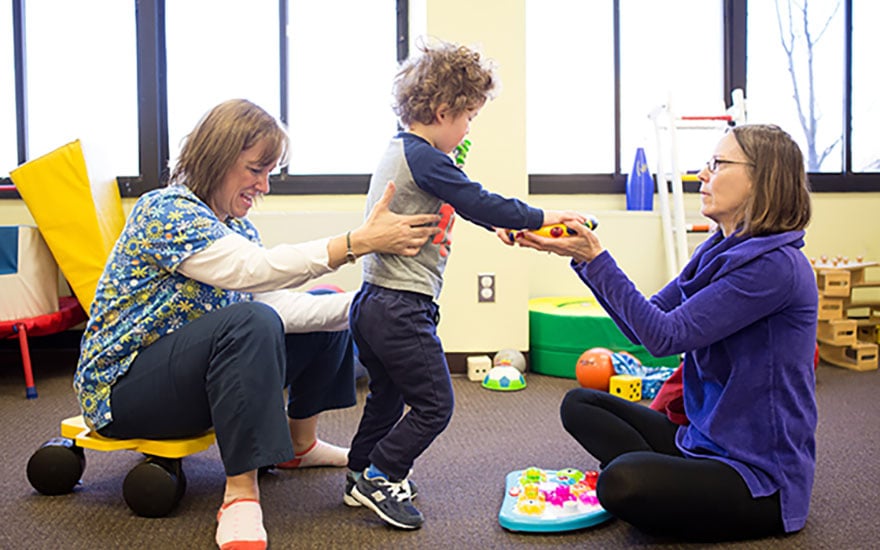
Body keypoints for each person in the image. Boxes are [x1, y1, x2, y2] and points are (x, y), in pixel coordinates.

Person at [73, 99, 440, 550]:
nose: (264, 186)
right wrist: (355, 243)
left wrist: (375, 306)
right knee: (248, 321)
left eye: (270, 172)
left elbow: (275, 305)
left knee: (327, 306)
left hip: (192, 378)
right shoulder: (165, 211)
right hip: (124, 392)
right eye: (255, 170)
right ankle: (241, 492)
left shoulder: (237, 227)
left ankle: (299, 444)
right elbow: (251, 273)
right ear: (217, 158)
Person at [515, 123, 817, 542]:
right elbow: (644, 324)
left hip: (758, 478)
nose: (703, 175)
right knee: (581, 404)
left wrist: (596, 256)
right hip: (701, 441)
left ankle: (667, 488)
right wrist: (584, 261)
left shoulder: (775, 267)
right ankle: (675, 485)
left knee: (620, 482)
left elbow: (665, 338)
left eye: (718, 164)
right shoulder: (717, 248)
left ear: (761, 178)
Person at [344, 39, 583, 530]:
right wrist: (542, 216)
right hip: (400, 305)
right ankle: (381, 474)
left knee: (388, 395)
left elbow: (456, 203)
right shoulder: (426, 157)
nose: (469, 127)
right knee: (435, 403)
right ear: (442, 110)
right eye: (468, 116)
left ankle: (357, 475)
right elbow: (475, 197)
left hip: (373, 302)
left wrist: (498, 223)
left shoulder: (406, 152)